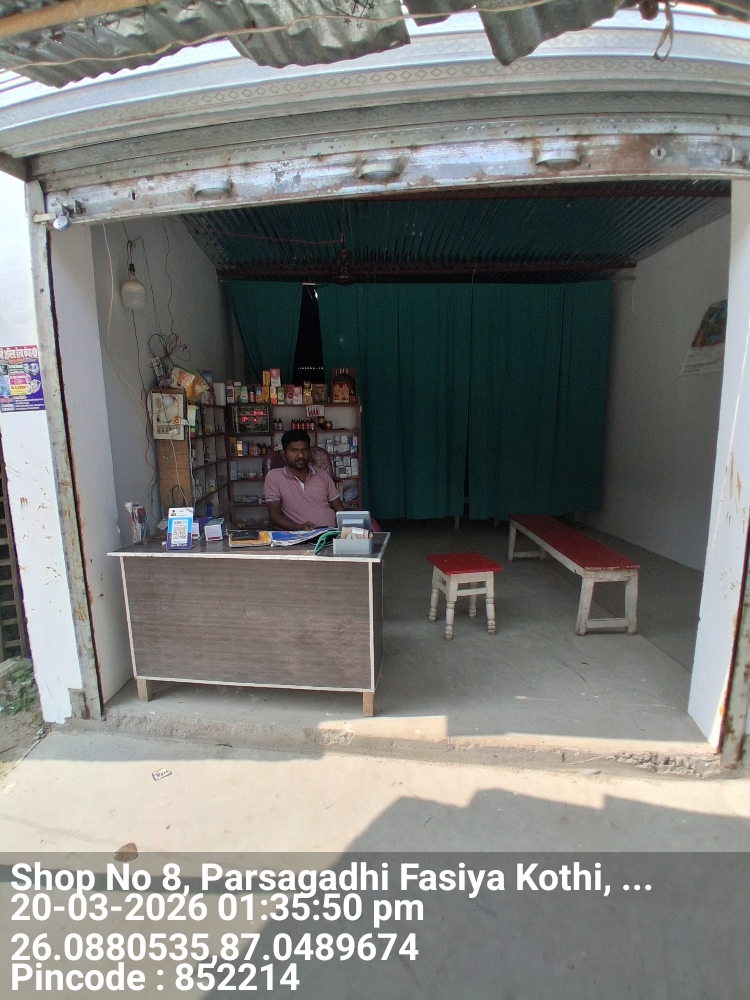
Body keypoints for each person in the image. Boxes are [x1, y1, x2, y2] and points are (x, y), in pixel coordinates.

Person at [265, 429, 344, 531]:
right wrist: (300, 527)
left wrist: (346, 531)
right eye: (294, 450)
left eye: (305, 450)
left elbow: (340, 510)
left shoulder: (322, 475)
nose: (301, 455)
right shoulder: (274, 477)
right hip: (299, 536)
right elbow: (275, 517)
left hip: (330, 534)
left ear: (310, 453)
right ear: (284, 454)